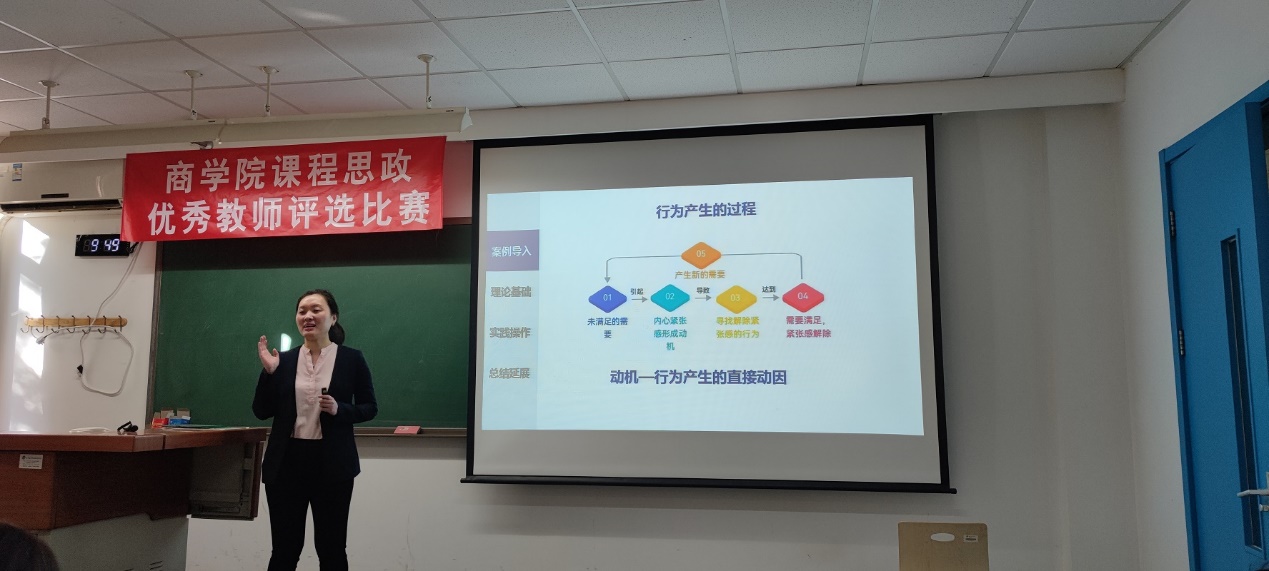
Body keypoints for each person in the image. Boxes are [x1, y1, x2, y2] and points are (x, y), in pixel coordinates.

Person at [252, 289, 378, 571]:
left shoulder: (352, 359)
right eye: (302, 311)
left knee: (331, 550)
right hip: (286, 464)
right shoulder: (282, 361)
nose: (308, 316)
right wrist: (269, 374)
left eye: (316, 310)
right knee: (284, 550)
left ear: (333, 318)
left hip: (332, 464)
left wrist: (340, 409)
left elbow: (370, 407)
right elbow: (261, 411)